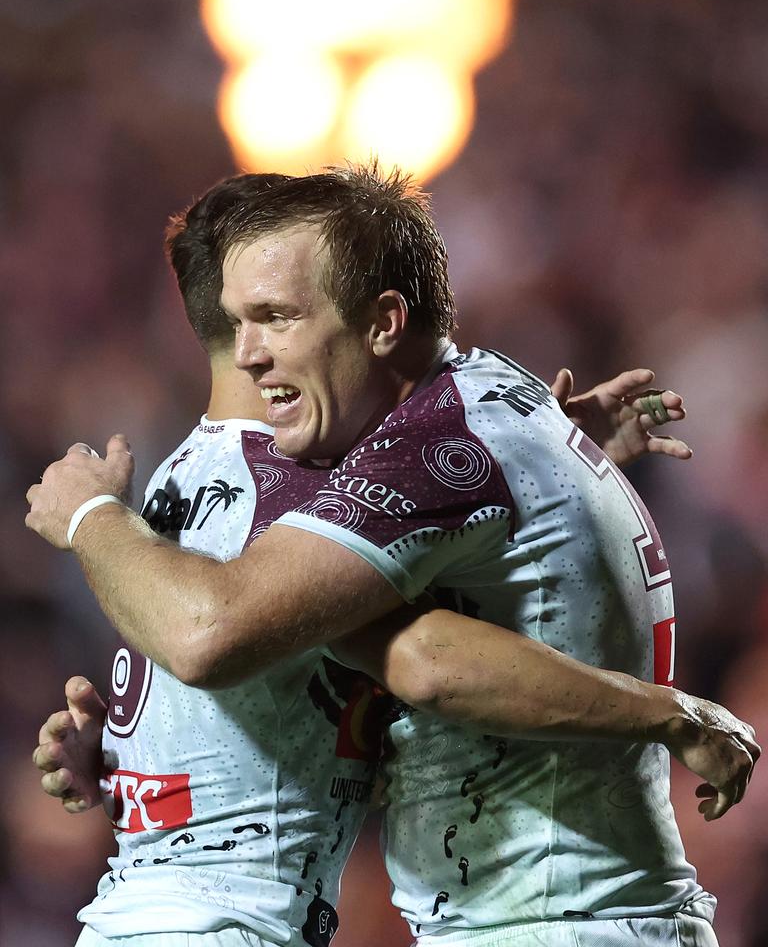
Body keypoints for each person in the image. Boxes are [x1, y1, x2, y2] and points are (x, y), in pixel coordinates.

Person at [27, 165, 759, 947]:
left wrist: (92, 515)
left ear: (382, 322)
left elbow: (234, 637)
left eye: (276, 317)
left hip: (547, 925)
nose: (251, 354)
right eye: (243, 322)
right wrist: (142, 747)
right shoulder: (498, 397)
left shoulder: (376, 466)